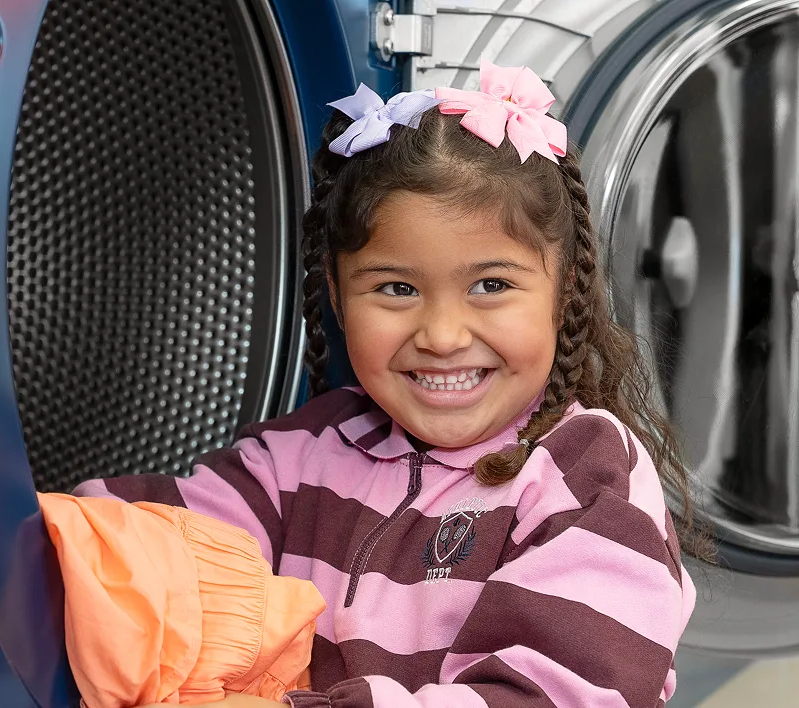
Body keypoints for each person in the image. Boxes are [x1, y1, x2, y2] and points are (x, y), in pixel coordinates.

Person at [73, 59, 708, 707]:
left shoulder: (583, 474)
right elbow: (148, 545)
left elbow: (554, 695)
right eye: (396, 288)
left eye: (490, 286)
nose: (441, 334)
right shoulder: (300, 459)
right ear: (338, 296)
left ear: (564, 292)